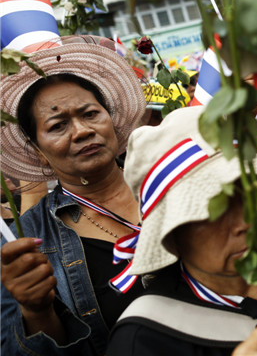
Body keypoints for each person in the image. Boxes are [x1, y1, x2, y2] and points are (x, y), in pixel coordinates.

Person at [107, 106, 257, 356]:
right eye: (214, 211)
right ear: (172, 236)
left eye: (252, 192)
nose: (246, 221)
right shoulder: (145, 341)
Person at [1, 35, 147, 355]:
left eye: (90, 113)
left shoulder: (170, 183)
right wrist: (37, 311)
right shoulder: (24, 243)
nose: (81, 131)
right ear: (38, 150)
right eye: (57, 125)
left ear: (111, 119)